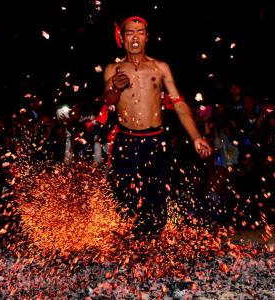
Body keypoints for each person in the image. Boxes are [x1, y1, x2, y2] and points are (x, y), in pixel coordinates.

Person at [103, 16, 212, 238]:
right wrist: (115, 86)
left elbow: (179, 104)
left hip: (155, 140)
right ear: (122, 39)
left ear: (147, 37)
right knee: (126, 199)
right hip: (126, 140)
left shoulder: (160, 67)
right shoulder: (113, 69)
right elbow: (109, 101)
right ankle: (127, 250)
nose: (135, 37)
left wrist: (196, 137)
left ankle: (151, 250)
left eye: (140, 32)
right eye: (130, 33)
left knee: (156, 201)